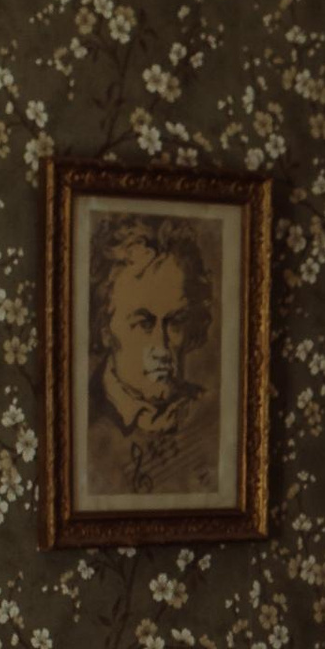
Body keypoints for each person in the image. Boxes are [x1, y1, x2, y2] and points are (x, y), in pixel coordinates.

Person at [84, 213, 217, 500]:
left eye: (176, 321)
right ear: (105, 329)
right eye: (144, 323)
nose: (161, 345)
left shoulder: (209, 414)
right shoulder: (84, 425)